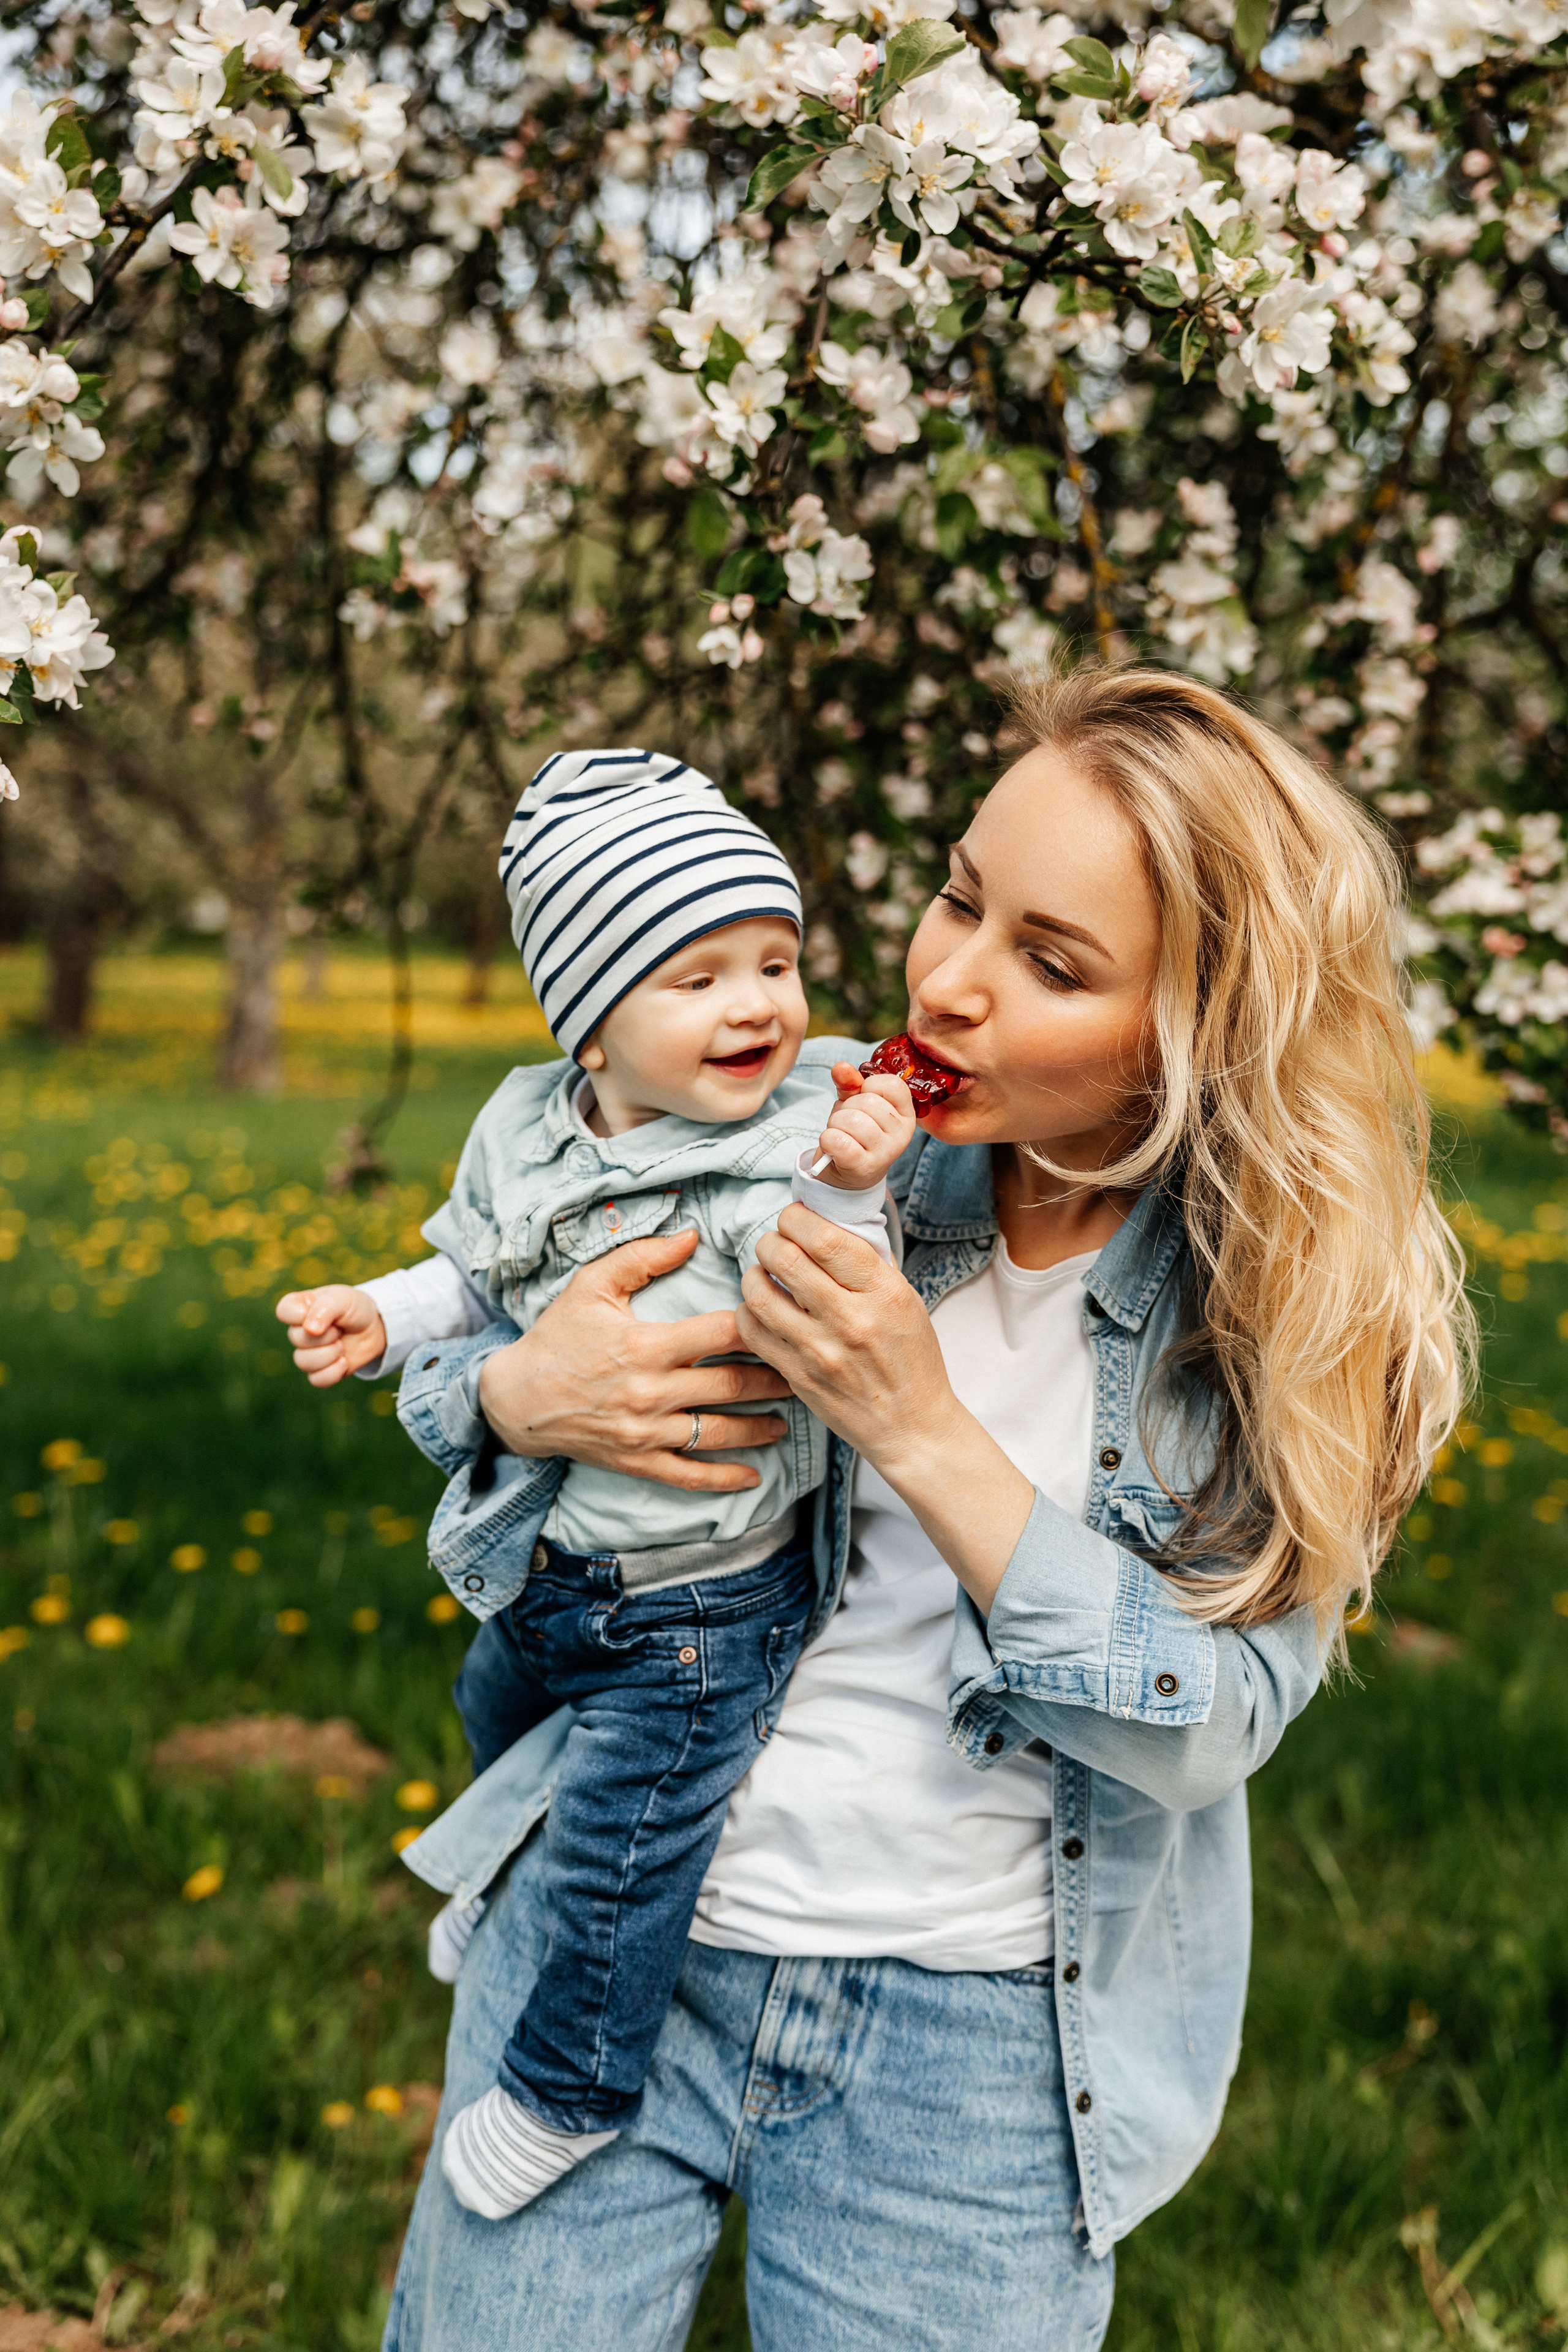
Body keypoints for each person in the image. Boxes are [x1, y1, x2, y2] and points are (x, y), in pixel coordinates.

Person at [381, 667, 1472, 2352]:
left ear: (1203, 1027)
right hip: (616, 1934)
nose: (948, 983)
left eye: (1050, 962)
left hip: (969, 2062)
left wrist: (918, 1422)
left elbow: (1206, 1725)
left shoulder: (1270, 1317)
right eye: (962, 895)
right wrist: (510, 1398)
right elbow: (485, 1309)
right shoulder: (791, 1125)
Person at [276, 749, 921, 2217]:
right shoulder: (528, 1123)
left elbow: (843, 1302)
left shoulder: (803, 1131)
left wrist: (847, 1186)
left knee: (627, 1856)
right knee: (493, 1709)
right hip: (560, 1561)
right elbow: (475, 1267)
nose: (756, 1003)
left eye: (777, 960)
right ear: (592, 1022)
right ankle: (497, 1877)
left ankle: (571, 2088)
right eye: (697, 976)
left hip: (704, 1603)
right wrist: (383, 1314)